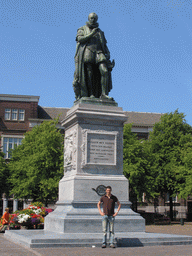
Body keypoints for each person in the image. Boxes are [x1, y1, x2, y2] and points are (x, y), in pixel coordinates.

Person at [73, 12, 115, 100]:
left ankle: (103, 94)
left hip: (99, 52)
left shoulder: (100, 32)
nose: (93, 20)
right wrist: (92, 34)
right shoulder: (82, 29)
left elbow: (104, 44)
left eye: (95, 18)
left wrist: (108, 53)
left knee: (104, 71)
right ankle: (91, 94)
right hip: (88, 51)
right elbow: (80, 39)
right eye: (92, 18)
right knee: (89, 74)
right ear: (88, 18)